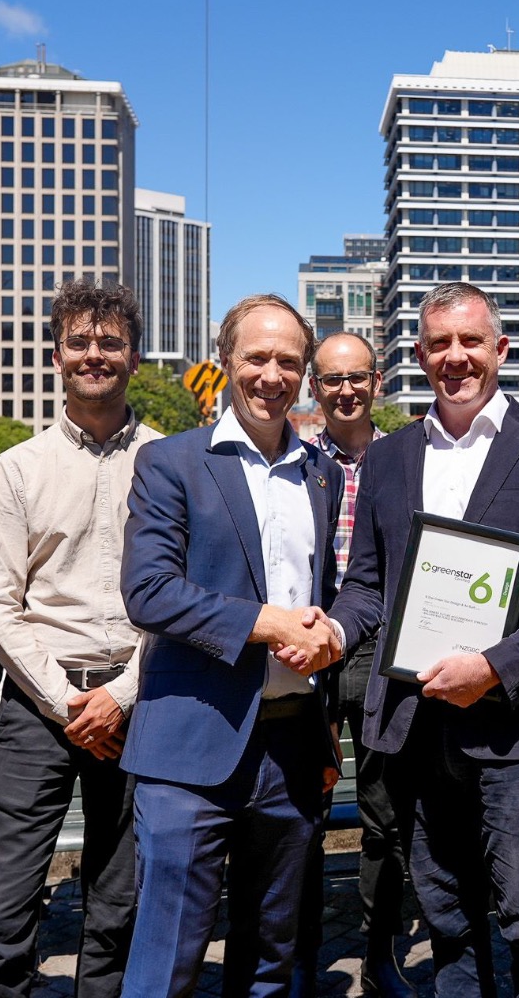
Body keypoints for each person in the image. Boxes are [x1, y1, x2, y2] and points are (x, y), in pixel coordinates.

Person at [327, 282, 519, 997]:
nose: (456, 358)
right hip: (420, 735)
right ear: (419, 354)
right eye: (440, 345)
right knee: (449, 922)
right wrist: (333, 626)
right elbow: (368, 583)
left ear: (500, 350)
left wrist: (493, 666)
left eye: (471, 342)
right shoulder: (389, 459)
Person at [120, 293, 344, 997]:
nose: (272, 375)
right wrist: (265, 623)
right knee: (168, 963)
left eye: (289, 361)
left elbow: (328, 601)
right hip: (190, 744)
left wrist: (328, 719)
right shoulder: (170, 463)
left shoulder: (322, 474)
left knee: (269, 963)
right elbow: (147, 590)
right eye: (257, 357)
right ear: (224, 363)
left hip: (292, 749)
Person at [0, 282, 159, 998]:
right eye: (80, 342)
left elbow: (180, 605)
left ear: (134, 357)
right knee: (5, 913)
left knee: (118, 906)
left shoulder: (172, 464)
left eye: (109, 342)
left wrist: (121, 694)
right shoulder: (19, 467)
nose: (94, 355)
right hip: (38, 711)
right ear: (56, 356)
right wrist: (70, 703)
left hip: (141, 701)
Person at [290, 331, 413, 998]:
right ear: (316, 386)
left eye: (356, 377)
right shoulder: (299, 464)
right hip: (308, 650)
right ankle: (302, 957)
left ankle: (379, 954)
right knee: (300, 814)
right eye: (331, 378)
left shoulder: (403, 460)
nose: (345, 390)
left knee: (383, 815)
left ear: (376, 383)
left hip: (381, 651)